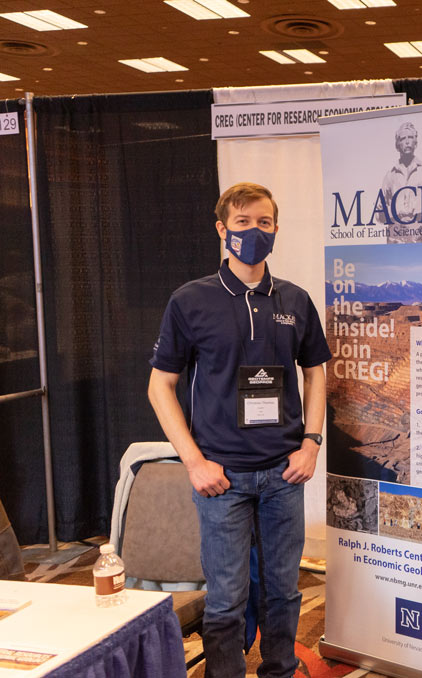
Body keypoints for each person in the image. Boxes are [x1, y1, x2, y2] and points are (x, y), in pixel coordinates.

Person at [147, 182, 331, 678]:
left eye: (264, 222)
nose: (254, 231)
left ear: (276, 229)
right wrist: (193, 461)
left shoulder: (295, 299)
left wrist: (311, 444)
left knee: (283, 593)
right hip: (220, 478)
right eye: (244, 222)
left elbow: (315, 371)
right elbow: (160, 386)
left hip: (283, 475)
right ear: (222, 229)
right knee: (227, 601)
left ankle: (280, 671)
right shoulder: (191, 301)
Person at [377, 121, 422, 243]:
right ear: (397, 145)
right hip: (394, 238)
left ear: (416, 142)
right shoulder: (390, 176)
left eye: (410, 137)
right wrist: (392, 211)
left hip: (417, 236)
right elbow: (379, 214)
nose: (407, 141)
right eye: (403, 139)